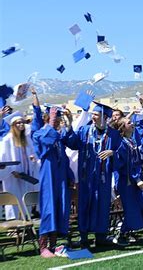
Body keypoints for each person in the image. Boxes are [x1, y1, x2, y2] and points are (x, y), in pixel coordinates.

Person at [63, 102, 121, 248]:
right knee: (85, 205)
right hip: (86, 177)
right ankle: (83, 238)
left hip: (103, 178)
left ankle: (100, 237)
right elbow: (72, 143)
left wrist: (113, 152)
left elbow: (123, 152)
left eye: (96, 114)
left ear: (105, 117)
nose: (93, 117)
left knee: (102, 205)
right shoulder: (84, 130)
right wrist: (69, 124)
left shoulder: (114, 135)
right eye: (93, 114)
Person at [32, 104, 75, 258]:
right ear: (46, 118)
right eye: (54, 119)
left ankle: (53, 245)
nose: (57, 122)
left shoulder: (57, 137)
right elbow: (44, 142)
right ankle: (43, 247)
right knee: (48, 209)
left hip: (61, 177)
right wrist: (51, 121)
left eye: (57, 119)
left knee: (60, 208)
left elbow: (66, 154)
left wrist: (70, 176)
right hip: (48, 177)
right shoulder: (38, 134)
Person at [111, 117, 143, 246]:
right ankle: (121, 235)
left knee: (138, 206)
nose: (132, 124)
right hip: (126, 181)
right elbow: (126, 165)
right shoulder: (122, 144)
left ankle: (127, 233)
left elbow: (136, 161)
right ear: (122, 128)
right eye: (129, 123)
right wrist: (137, 178)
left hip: (135, 179)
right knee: (131, 209)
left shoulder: (131, 141)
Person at [0, 111, 40, 220]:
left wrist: (33, 158)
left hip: (25, 175)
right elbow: (3, 159)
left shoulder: (26, 139)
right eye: (18, 123)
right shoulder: (7, 140)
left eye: (22, 122)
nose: (21, 124)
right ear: (13, 125)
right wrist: (12, 171)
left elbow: (34, 154)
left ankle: (25, 221)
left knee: (24, 197)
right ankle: (14, 223)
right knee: (14, 198)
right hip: (12, 176)